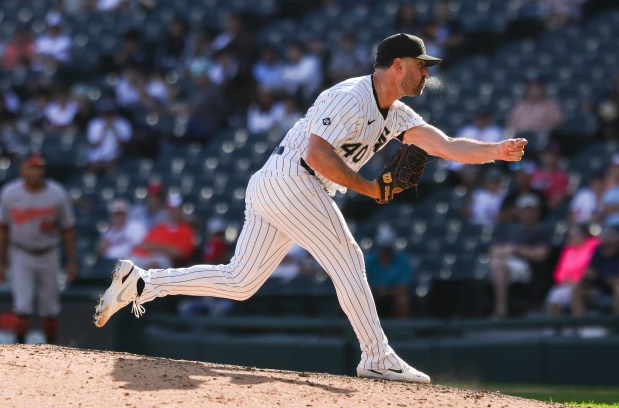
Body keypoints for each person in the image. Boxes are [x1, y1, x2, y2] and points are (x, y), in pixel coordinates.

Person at [94, 33, 528, 384]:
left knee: (241, 280)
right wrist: (367, 188)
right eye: (420, 65)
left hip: (276, 184)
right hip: (293, 179)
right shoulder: (350, 96)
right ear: (398, 65)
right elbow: (318, 155)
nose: (425, 73)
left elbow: (446, 145)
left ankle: (142, 283)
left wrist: (498, 150)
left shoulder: (394, 113)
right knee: (349, 257)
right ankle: (377, 356)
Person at [0, 153, 77, 344]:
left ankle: (51, 349)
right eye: (33, 167)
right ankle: (19, 349)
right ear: (23, 170)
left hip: (49, 252)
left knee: (50, 306)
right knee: (22, 304)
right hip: (20, 253)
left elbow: (68, 229)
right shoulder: (10, 193)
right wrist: (1, 262)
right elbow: (3, 229)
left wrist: (72, 262)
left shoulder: (56, 193)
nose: (37, 172)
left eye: (40, 167)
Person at [489, 194, 551, 317]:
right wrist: (505, 251)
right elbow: (494, 250)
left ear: (537, 212)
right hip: (504, 260)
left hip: (526, 266)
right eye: (524, 211)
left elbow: (541, 255)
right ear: (519, 212)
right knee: (495, 263)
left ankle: (501, 310)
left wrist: (516, 250)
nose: (528, 214)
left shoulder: (542, 230)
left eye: (531, 211)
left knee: (498, 266)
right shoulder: (509, 229)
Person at [128, 194, 196, 270]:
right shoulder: (159, 227)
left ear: (180, 211)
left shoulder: (186, 230)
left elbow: (181, 253)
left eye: (175, 209)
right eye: (170, 209)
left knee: (152, 267)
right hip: (146, 257)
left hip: (166, 262)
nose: (172, 212)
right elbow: (144, 245)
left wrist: (156, 247)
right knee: (126, 265)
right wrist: (163, 248)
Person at [546, 224, 599, 316]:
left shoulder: (594, 246)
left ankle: (579, 326)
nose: (571, 237)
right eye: (570, 235)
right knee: (554, 295)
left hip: (588, 286)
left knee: (574, 292)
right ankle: (555, 328)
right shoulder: (568, 249)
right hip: (567, 285)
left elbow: (592, 270)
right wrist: (564, 280)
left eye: (575, 234)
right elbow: (559, 272)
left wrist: (577, 282)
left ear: (584, 235)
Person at [365, 228, 414, 319]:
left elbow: (404, 287)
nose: (385, 251)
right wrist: (374, 292)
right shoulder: (369, 261)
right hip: (373, 295)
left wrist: (387, 292)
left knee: (403, 301)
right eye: (383, 248)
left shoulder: (402, 261)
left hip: (393, 296)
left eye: (387, 248)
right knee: (363, 300)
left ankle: (401, 330)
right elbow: (363, 283)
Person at [571, 226, 619, 316]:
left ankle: (616, 326)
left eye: (609, 237)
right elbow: (589, 272)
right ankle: (579, 326)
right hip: (598, 289)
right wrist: (587, 277)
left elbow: (615, 281)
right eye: (604, 237)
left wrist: (609, 279)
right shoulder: (598, 250)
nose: (605, 241)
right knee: (577, 289)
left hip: (614, 291)